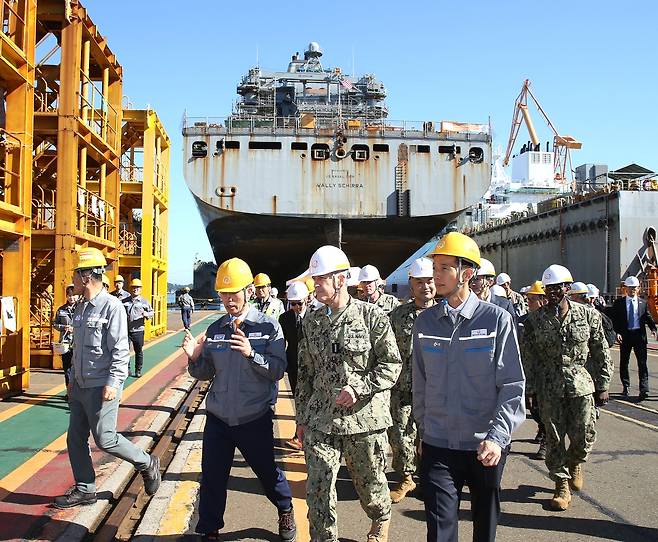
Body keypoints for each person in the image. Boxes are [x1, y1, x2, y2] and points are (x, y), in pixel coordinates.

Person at [413, 232, 525, 542]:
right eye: (435, 268)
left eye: (444, 268)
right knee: (439, 531)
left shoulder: (497, 321)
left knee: (484, 528)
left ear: (466, 273)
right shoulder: (425, 323)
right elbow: (420, 383)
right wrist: (423, 431)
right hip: (438, 445)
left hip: (484, 447)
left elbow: (513, 385)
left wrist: (497, 438)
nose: (436, 276)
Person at [183, 258, 296, 541]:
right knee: (212, 476)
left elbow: (277, 370)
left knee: (267, 472)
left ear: (248, 291)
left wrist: (251, 354)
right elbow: (206, 372)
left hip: (253, 416)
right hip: (219, 417)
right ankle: (210, 529)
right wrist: (194, 358)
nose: (228, 300)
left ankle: (285, 507)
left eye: (234, 294)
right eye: (223, 294)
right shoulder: (216, 329)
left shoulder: (269, 327)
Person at [295, 246, 402, 542]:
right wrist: (301, 418)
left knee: (370, 489)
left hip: (363, 421)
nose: (315, 286)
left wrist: (360, 387)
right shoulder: (311, 321)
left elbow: (392, 364)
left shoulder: (372, 317)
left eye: (321, 280)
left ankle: (380, 518)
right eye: (314, 280)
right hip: (321, 419)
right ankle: (323, 538)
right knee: (318, 487)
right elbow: (305, 375)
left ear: (341, 280)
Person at [54, 247, 160, 509]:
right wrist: (70, 377)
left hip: (102, 385)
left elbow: (121, 350)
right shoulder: (80, 307)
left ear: (87, 276)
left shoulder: (111, 307)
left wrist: (114, 383)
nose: (73, 280)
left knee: (106, 439)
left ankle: (146, 462)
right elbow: (78, 347)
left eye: (76, 274)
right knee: (75, 438)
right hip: (79, 384)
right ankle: (85, 488)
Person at [521, 264, 611, 511]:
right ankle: (561, 485)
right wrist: (530, 389)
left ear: (567, 288)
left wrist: (603, 384)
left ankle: (576, 462)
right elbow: (528, 356)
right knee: (554, 437)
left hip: (581, 383)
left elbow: (600, 349)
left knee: (583, 433)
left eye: (558, 287)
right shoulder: (534, 320)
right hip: (549, 385)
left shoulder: (588, 315)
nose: (553, 292)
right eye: (549, 288)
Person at [388, 257, 436, 504]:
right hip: (403, 387)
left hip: (437, 388)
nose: (425, 286)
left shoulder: (445, 313)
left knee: (433, 435)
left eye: (429, 281)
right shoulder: (397, 316)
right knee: (400, 433)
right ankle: (407, 477)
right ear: (411, 284)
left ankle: (430, 477)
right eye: (419, 282)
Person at [609, 276, 657, 400]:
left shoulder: (643, 303)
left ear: (638, 288)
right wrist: (616, 333)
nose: (632, 290)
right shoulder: (619, 304)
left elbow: (647, 317)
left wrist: (653, 329)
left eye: (634, 288)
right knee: (624, 362)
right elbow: (614, 320)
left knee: (642, 364)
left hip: (639, 337)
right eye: (630, 288)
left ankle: (644, 389)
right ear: (626, 289)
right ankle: (626, 386)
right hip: (625, 337)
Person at [279, 280, 310, 450]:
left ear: (307, 299)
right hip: (294, 368)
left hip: (314, 369)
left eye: (299, 303)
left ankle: (310, 436)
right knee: (299, 401)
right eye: (293, 304)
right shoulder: (285, 318)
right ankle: (299, 436)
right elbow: (281, 342)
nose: (296, 307)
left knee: (313, 402)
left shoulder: (316, 316)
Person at [520, 280, 548, 458]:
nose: (527, 303)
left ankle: (546, 441)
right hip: (529, 373)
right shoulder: (525, 322)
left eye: (531, 300)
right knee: (533, 408)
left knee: (547, 410)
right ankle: (542, 428)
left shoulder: (552, 320)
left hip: (548, 376)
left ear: (542, 301)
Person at [123, 279, 155, 378]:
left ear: (140, 289)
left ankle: (138, 370)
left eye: (137, 287)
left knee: (138, 351)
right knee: (124, 351)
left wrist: (146, 314)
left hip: (138, 330)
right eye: (133, 287)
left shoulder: (145, 301)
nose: (135, 289)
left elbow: (151, 312)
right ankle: (127, 370)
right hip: (125, 331)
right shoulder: (124, 302)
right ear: (130, 288)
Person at [53, 284, 78, 391]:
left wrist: (76, 328)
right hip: (66, 344)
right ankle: (69, 391)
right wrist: (64, 327)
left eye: (74, 295)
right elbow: (55, 324)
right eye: (69, 295)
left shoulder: (82, 308)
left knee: (78, 369)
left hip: (79, 343)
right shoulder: (61, 310)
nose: (71, 298)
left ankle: (78, 391)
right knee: (67, 368)